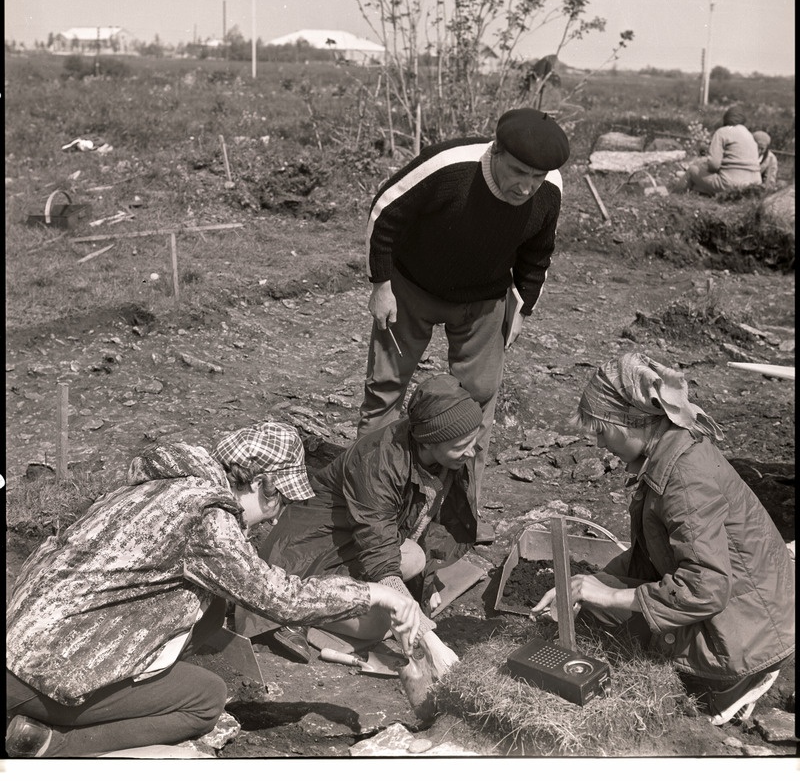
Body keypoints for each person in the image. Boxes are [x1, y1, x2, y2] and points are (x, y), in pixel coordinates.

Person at [5, 422, 421, 758]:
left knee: (212, 605)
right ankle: (51, 745)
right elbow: (282, 599)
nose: (277, 516)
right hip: (41, 676)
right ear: (263, 484)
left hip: (22, 641)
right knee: (205, 698)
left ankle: (106, 696)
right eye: (282, 502)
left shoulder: (160, 487)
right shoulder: (208, 517)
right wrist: (373, 594)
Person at [532, 353, 795, 726]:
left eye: (602, 431)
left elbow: (706, 586)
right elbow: (651, 557)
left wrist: (608, 595)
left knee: (615, 626)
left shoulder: (685, 477)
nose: (600, 445)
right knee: (596, 607)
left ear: (629, 421)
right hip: (745, 608)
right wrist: (583, 587)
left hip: (748, 633)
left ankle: (734, 680)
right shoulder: (668, 455)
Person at [358, 108, 570, 503]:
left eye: (536, 178)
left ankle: (458, 507)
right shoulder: (448, 166)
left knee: (480, 395)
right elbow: (384, 212)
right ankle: (372, 490)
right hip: (412, 287)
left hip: (484, 297)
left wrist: (521, 309)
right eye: (519, 172)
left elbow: (538, 253)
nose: (527, 188)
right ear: (496, 152)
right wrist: (381, 285)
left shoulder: (550, 186)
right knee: (386, 387)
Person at [241, 375, 483, 677]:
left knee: (417, 560)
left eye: (474, 439)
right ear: (430, 442)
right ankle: (301, 613)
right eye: (462, 445)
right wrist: (432, 643)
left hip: (353, 539)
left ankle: (338, 605)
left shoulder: (443, 458)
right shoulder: (377, 464)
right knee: (378, 625)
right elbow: (380, 558)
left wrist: (428, 582)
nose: (473, 451)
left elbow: (424, 525)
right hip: (306, 550)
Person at [686, 106, 762, 196]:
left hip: (731, 183)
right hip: (754, 183)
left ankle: (675, 194)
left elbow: (713, 165)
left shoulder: (722, 132)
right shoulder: (749, 135)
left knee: (692, 170)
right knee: (702, 185)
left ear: (726, 119)